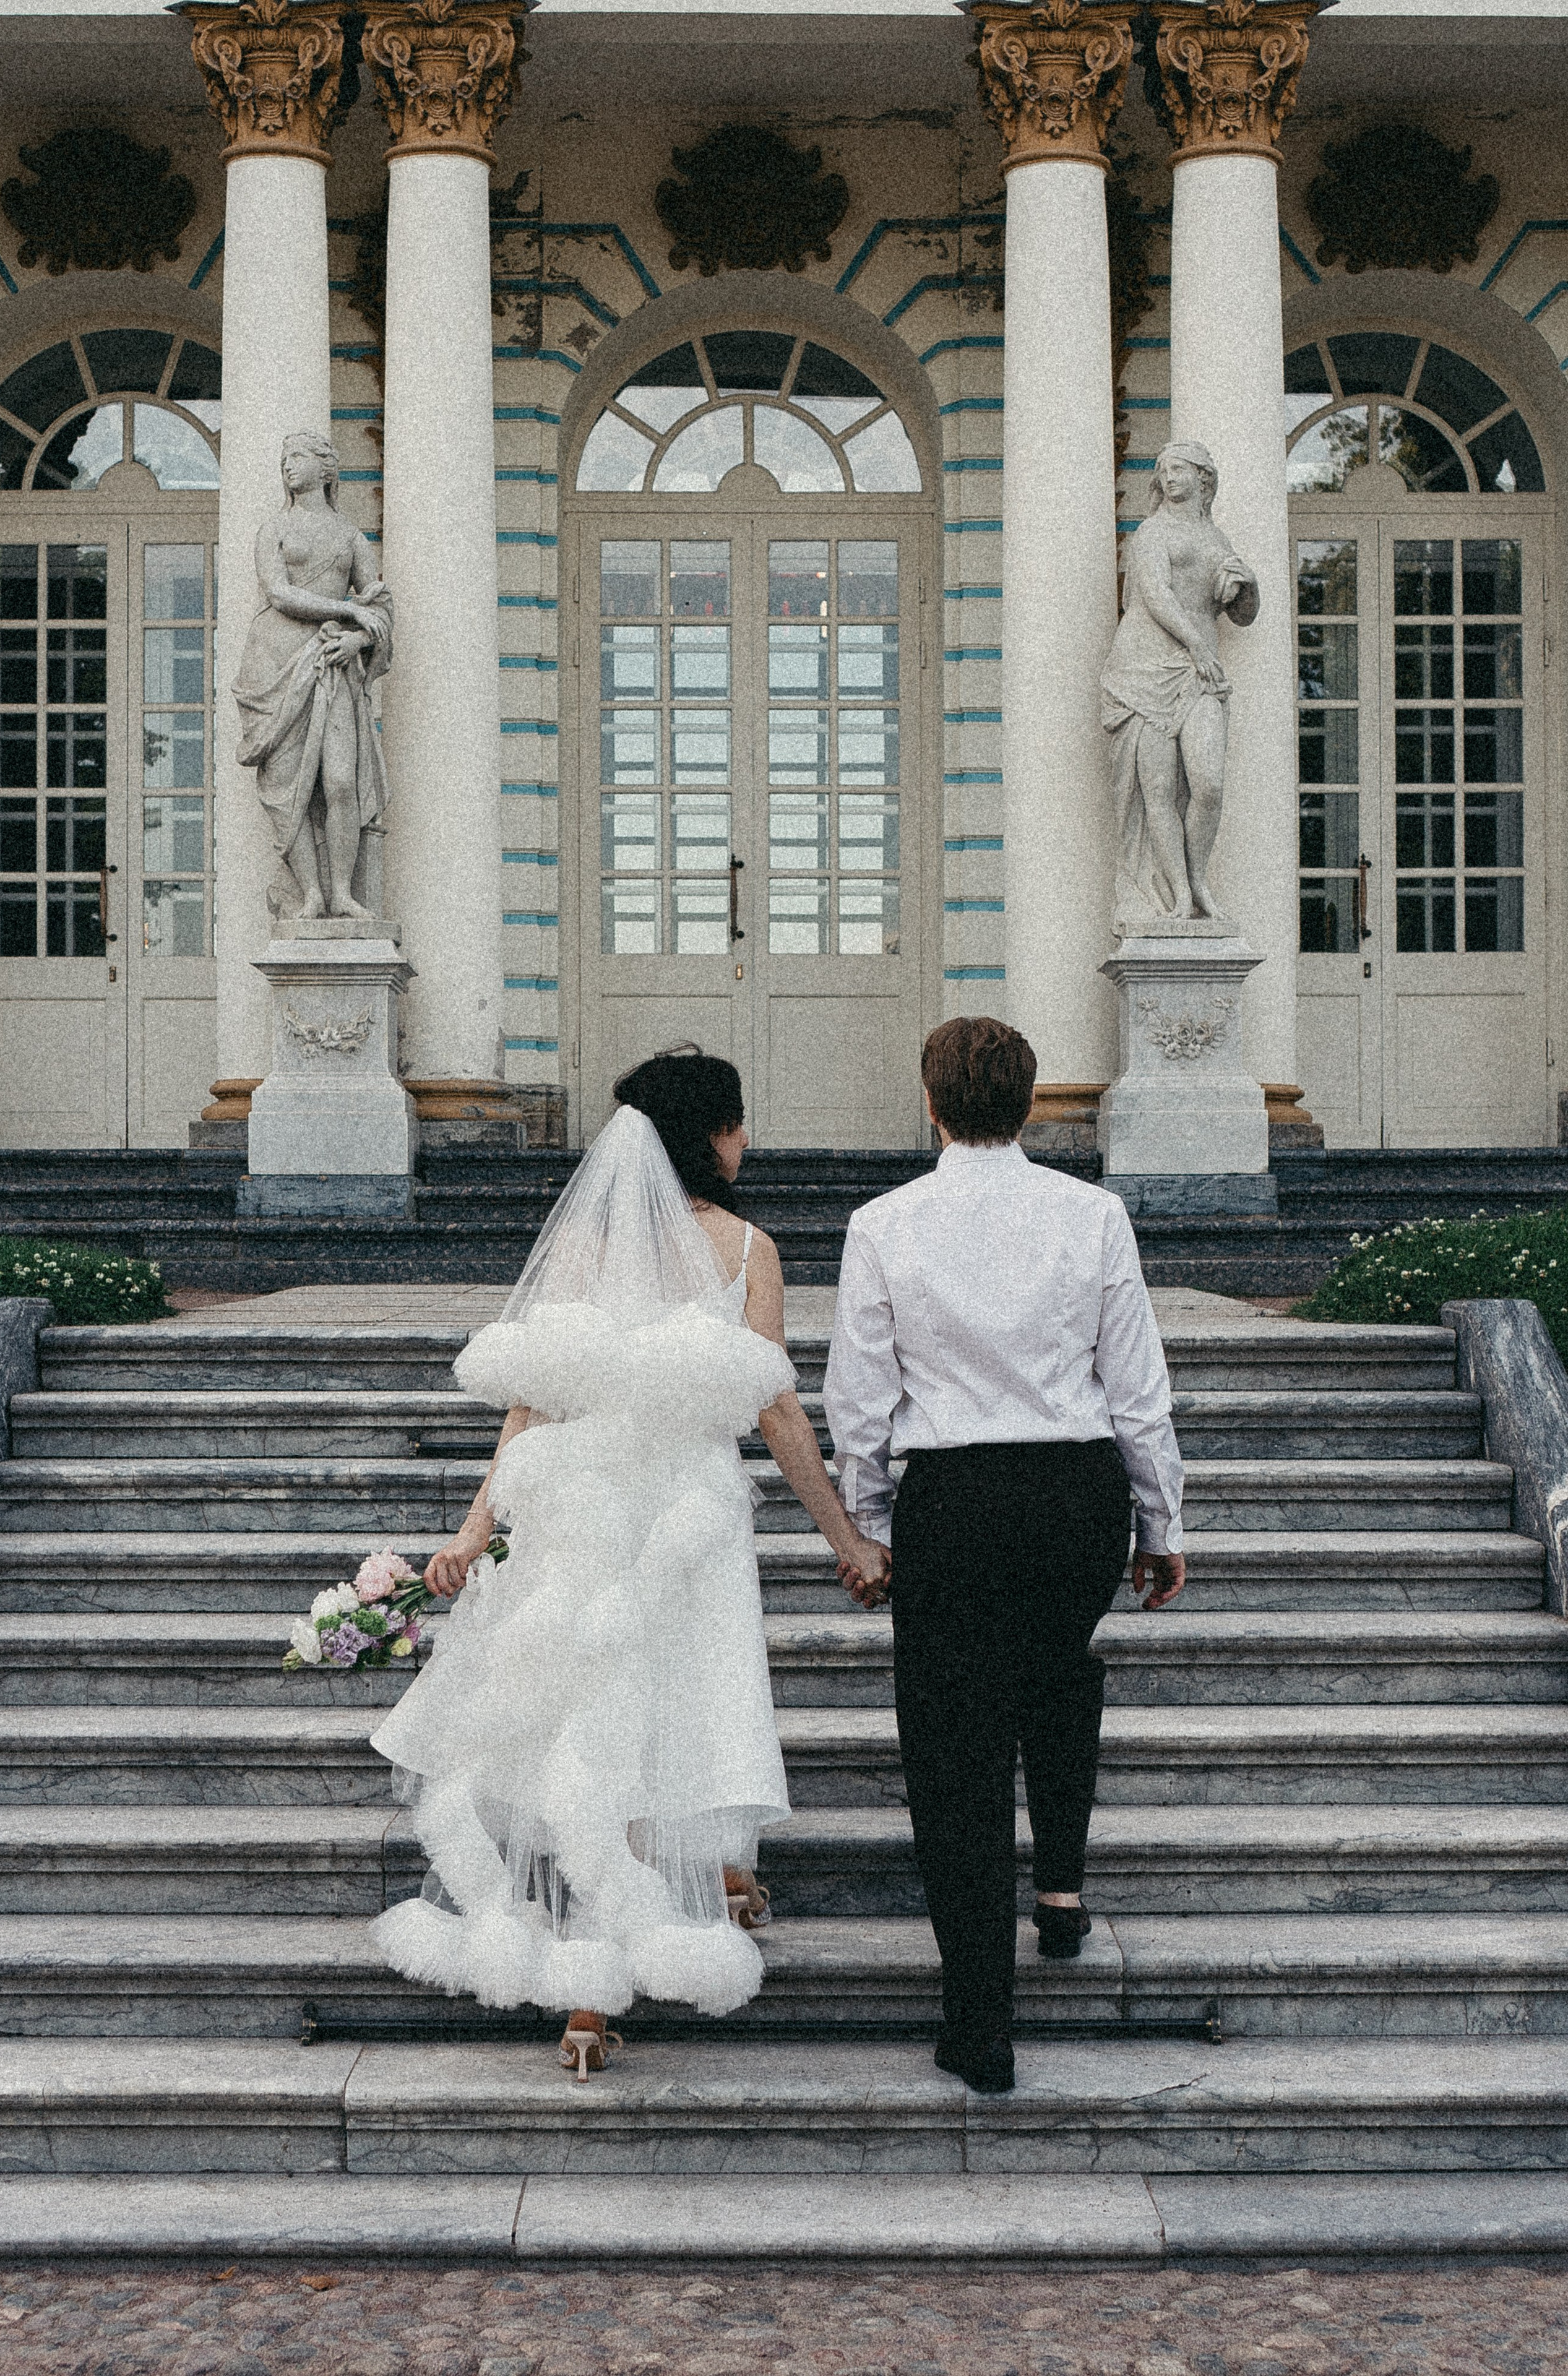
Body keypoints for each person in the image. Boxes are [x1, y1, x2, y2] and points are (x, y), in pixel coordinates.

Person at [370, 1046, 890, 2079]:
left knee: (584, 1737)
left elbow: (532, 1406)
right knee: (672, 1726)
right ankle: (670, 1916)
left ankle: (587, 1999)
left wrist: (474, 1537)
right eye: (739, 1123)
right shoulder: (746, 1250)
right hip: (685, 1534)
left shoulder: (582, 1255)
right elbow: (780, 1413)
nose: (747, 1142)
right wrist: (849, 1541)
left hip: (582, 1522)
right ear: (716, 1136)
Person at [824, 1016, 1186, 2096]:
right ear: (1028, 1104)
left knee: (956, 1754)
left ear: (931, 1103)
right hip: (1076, 1491)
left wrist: (871, 1523)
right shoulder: (1094, 1214)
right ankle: (1062, 1892)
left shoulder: (885, 1223)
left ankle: (981, 2019)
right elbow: (1136, 1384)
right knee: (1058, 1672)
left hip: (959, 1497)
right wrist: (1160, 1522)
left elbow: (860, 1398)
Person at [233, 428, 392, 923]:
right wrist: (346, 609)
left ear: (326, 468)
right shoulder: (272, 530)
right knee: (286, 788)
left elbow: (380, 605)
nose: (288, 466)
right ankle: (312, 896)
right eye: (285, 458)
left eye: (298, 457)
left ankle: (342, 893)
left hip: (333, 663)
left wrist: (358, 639)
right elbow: (279, 593)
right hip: (275, 662)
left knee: (341, 781)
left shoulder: (349, 535)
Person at [1100, 439, 1258, 926]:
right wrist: (1197, 646)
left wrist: (1249, 585)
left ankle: (1198, 878)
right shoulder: (1152, 532)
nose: (1169, 478)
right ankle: (1180, 898)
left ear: (1203, 479)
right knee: (1159, 793)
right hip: (1146, 669)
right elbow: (1155, 596)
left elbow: (1243, 616)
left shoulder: (1217, 539)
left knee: (1208, 784)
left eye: (1179, 470)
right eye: (1163, 470)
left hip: (1198, 671)